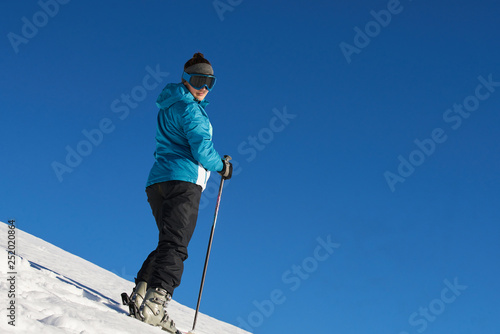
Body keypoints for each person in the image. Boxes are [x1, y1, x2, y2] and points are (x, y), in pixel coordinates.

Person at [128, 52, 233, 333]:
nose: (204, 87)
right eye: (198, 80)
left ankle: (142, 291)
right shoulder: (192, 110)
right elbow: (201, 149)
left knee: (168, 241)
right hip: (184, 181)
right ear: (186, 79)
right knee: (176, 245)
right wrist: (222, 166)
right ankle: (155, 305)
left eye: (210, 82)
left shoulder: (168, 105)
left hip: (158, 182)